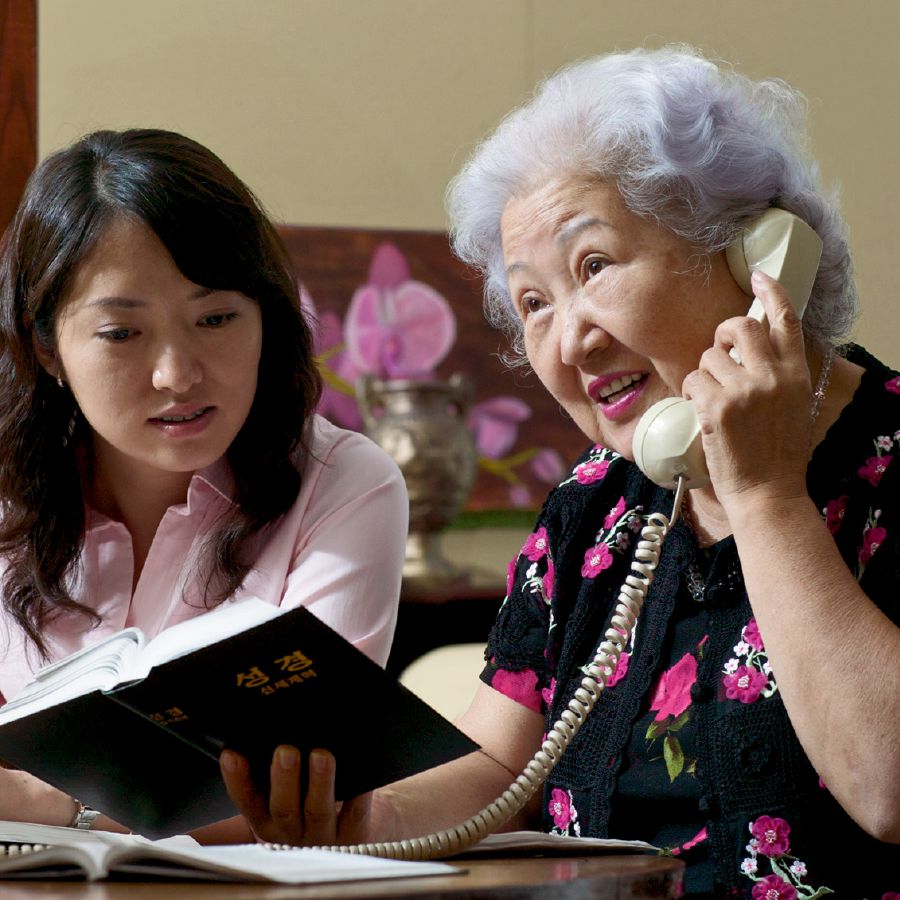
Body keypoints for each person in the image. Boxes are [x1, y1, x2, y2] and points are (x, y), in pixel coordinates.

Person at [221, 47, 900, 896]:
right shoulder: (594, 505)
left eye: (594, 267)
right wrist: (355, 825)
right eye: (533, 302)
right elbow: (499, 770)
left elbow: (889, 791)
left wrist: (760, 493)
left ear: (751, 259)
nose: (568, 338)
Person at [0, 129, 408, 835]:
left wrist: (56, 804)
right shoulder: (9, 501)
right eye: (122, 334)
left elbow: (293, 794)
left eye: (216, 318)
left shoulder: (344, 485)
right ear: (47, 348)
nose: (177, 375)